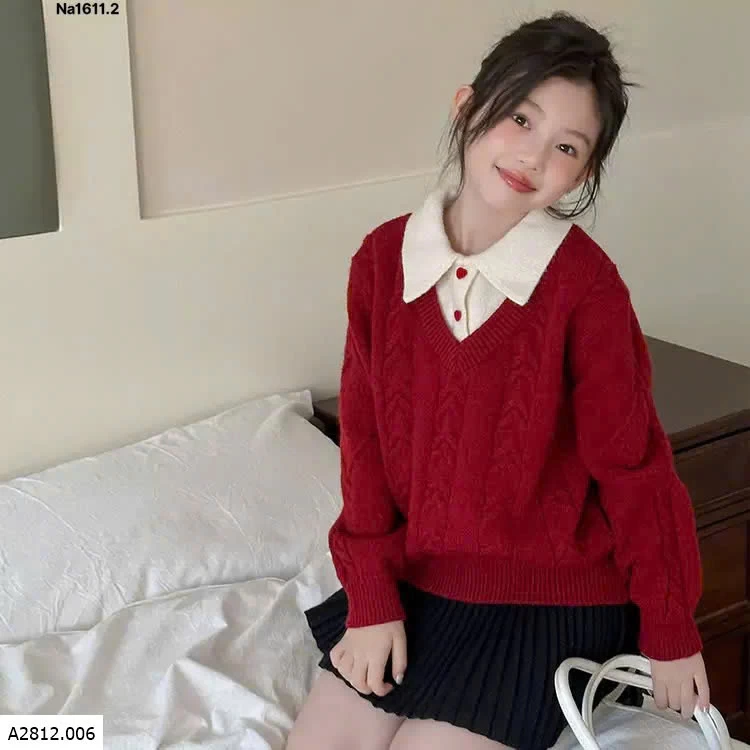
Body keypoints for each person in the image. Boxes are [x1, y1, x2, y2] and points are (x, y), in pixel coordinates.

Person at [286, 11, 710, 750]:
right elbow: (366, 446)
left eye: (567, 147)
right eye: (521, 117)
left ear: (583, 174)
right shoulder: (382, 262)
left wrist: (671, 631)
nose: (532, 155)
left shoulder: (585, 286)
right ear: (467, 105)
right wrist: (372, 598)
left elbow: (634, 468)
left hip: (549, 600)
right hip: (419, 588)